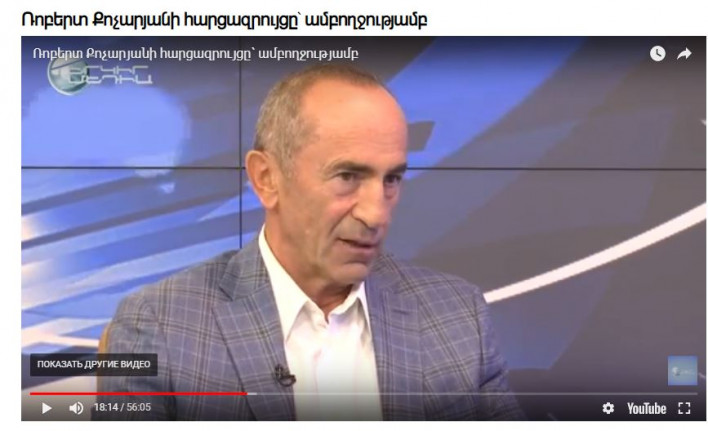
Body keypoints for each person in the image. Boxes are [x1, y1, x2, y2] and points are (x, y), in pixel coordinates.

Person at [92, 64, 524, 421]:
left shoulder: (458, 316)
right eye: (347, 176)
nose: (376, 213)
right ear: (267, 178)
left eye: (391, 179)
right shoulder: (158, 324)